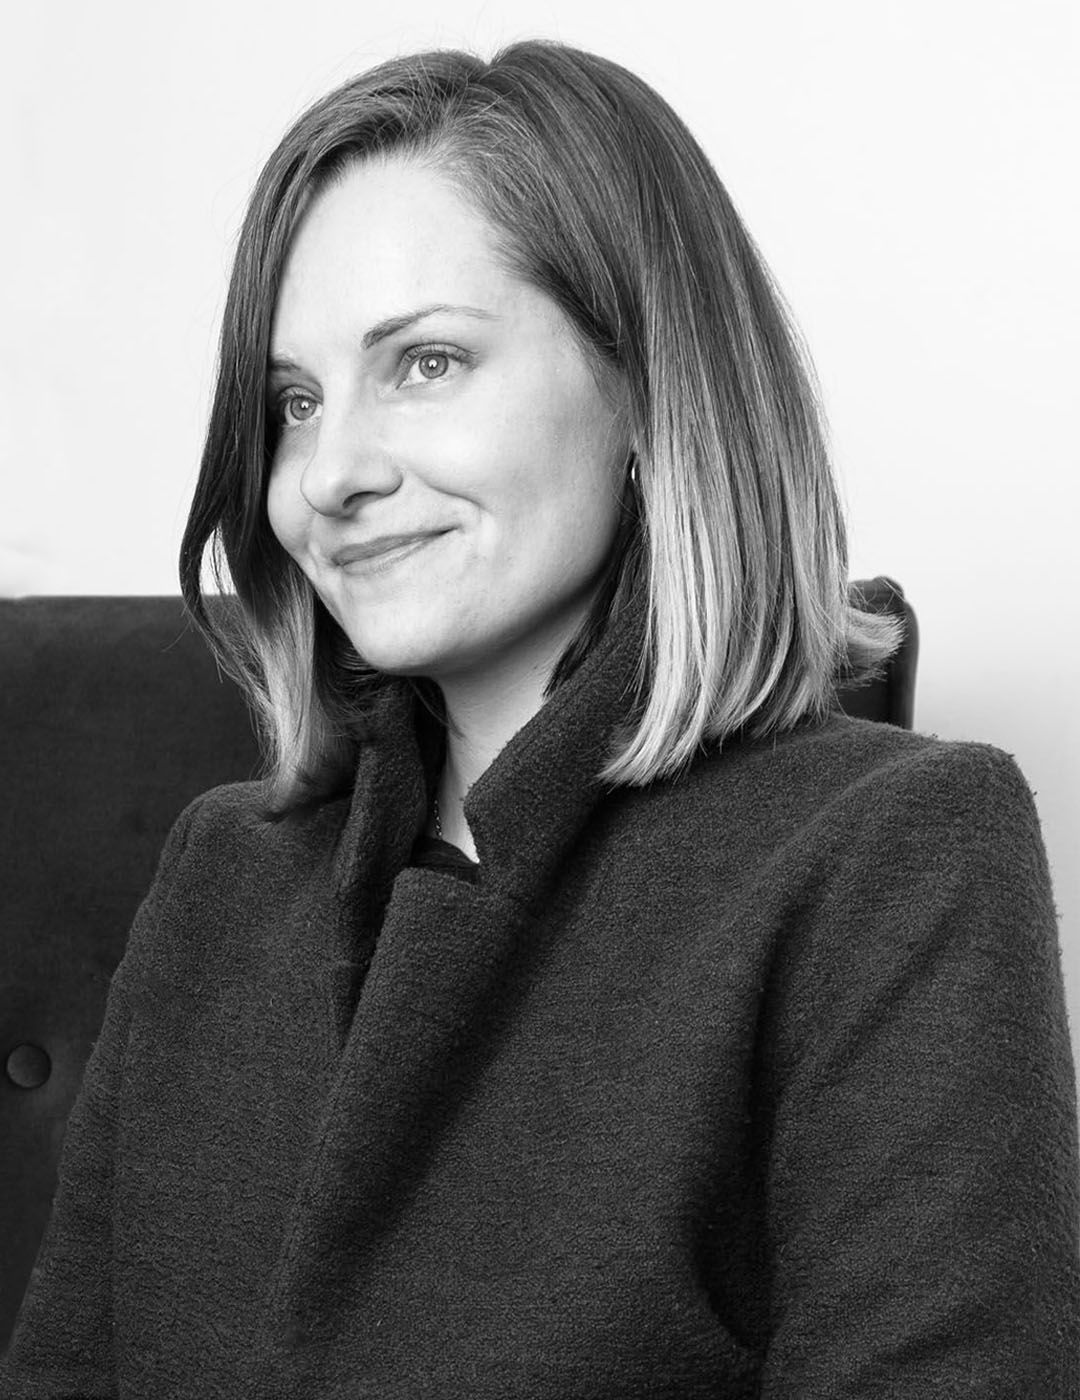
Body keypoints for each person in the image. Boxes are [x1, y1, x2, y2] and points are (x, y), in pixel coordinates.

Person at [3, 38, 1077, 1399]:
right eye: (295, 402)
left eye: (428, 362)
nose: (329, 474)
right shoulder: (227, 871)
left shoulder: (892, 850)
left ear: (645, 384)